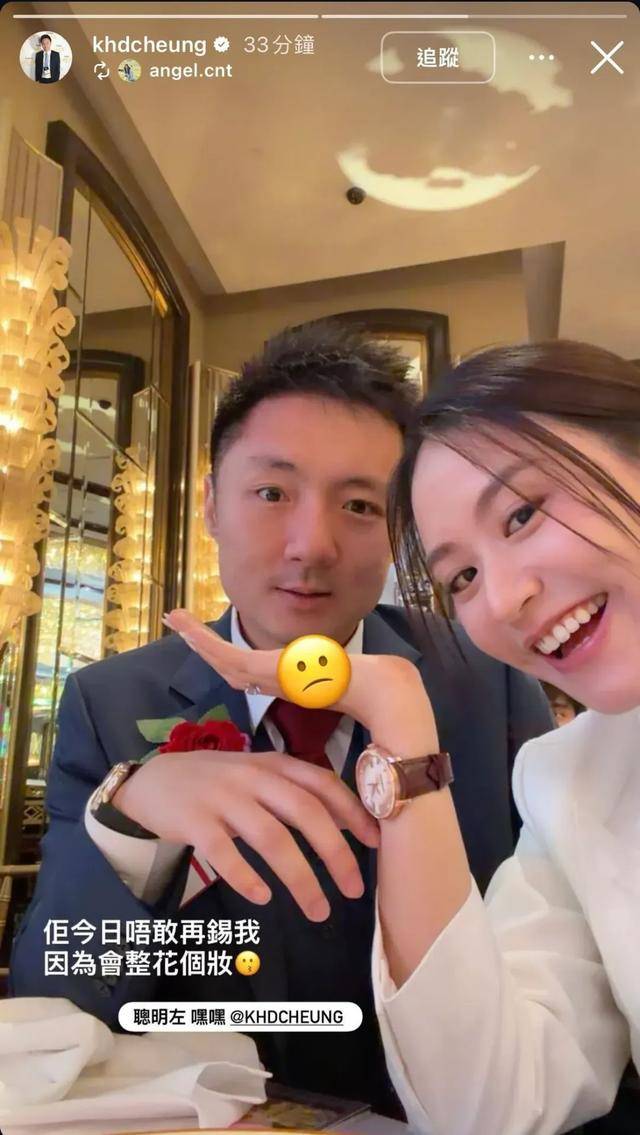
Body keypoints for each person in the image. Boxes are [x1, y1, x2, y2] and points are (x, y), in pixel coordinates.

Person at [9, 322, 553, 1117]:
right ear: (210, 504)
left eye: (360, 505)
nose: (312, 544)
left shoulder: (485, 677)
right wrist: (130, 823)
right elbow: (53, 1004)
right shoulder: (114, 702)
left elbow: (558, 962)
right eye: (272, 493)